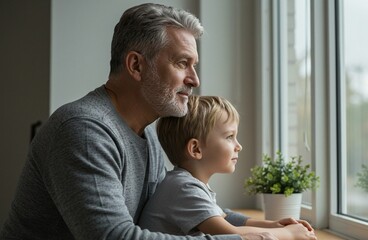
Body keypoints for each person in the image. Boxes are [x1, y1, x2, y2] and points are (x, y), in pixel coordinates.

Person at [0, 3, 279, 240]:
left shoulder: (147, 137)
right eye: (183, 63)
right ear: (136, 65)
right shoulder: (83, 130)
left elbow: (199, 207)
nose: (195, 80)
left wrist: (268, 227)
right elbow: (115, 237)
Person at [139, 95, 317, 240]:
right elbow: (229, 234)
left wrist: (271, 225)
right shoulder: (184, 188)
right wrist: (289, 234)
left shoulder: (187, 183)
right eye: (229, 137)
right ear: (196, 149)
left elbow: (222, 217)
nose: (238, 146)